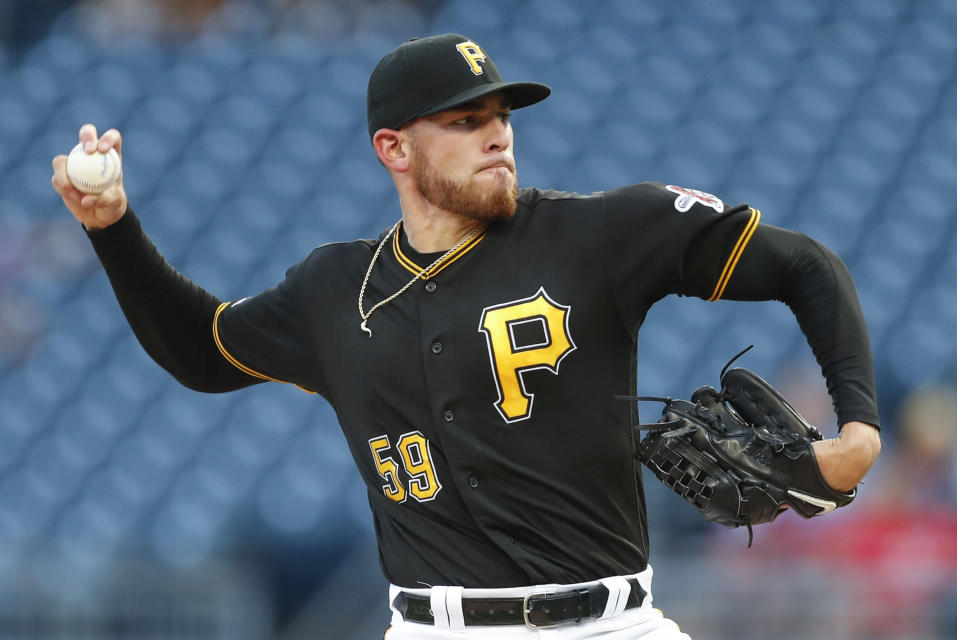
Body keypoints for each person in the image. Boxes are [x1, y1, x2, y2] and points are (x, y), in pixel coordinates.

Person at [50, 33, 882, 639]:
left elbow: (803, 266)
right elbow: (202, 351)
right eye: (465, 119)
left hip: (610, 625)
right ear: (394, 148)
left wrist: (860, 426)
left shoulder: (595, 234)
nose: (498, 133)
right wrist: (114, 229)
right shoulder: (334, 289)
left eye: (502, 115)